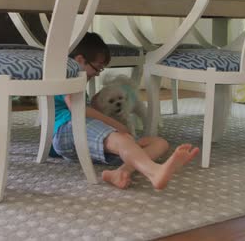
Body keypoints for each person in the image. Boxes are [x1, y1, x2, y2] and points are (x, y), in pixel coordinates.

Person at [52, 32, 199, 190]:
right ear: (80, 60)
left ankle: (121, 172)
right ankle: (154, 172)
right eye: (97, 67)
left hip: (82, 137)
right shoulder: (67, 75)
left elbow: (87, 110)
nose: (96, 73)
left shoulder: (77, 81)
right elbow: (79, 110)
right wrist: (117, 125)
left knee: (159, 143)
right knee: (122, 139)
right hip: (67, 130)